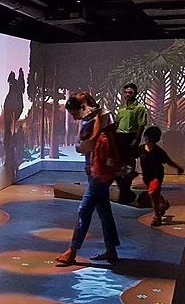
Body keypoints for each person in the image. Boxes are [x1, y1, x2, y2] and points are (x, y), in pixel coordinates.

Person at [56, 92, 121, 265]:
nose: (74, 117)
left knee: (84, 210)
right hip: (97, 171)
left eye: (74, 113)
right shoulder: (96, 117)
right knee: (103, 210)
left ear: (81, 107)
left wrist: (83, 144)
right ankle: (111, 249)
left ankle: (72, 250)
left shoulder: (101, 117)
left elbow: (85, 146)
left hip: (100, 173)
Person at [138, 126, 184, 227]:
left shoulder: (158, 152)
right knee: (155, 194)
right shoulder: (141, 149)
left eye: (151, 141)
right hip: (147, 176)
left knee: (152, 194)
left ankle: (157, 217)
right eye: (146, 139)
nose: (148, 142)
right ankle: (163, 204)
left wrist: (178, 167)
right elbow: (132, 156)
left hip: (156, 176)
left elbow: (168, 161)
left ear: (157, 140)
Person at [114, 83, 147, 205]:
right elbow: (117, 123)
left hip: (131, 136)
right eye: (126, 92)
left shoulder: (140, 108)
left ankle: (125, 192)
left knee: (128, 164)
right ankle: (125, 192)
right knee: (118, 167)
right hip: (119, 137)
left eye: (130, 92)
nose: (128, 94)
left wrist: (136, 140)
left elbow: (141, 125)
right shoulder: (122, 107)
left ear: (135, 93)